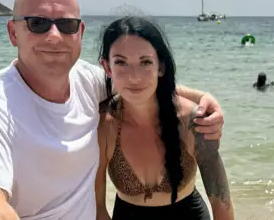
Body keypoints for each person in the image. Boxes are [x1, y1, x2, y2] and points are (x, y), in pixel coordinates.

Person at [0, 0, 225, 220]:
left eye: (66, 24)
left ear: (80, 32)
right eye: (37, 23)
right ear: (14, 33)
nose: (54, 36)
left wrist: (204, 98)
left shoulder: (87, 81)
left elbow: (138, 83)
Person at [95, 16, 233, 220]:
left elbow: (221, 203)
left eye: (145, 62)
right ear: (107, 67)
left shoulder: (191, 121)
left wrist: (202, 97)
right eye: (121, 62)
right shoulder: (104, 125)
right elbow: (97, 208)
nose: (134, 76)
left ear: (161, 66)